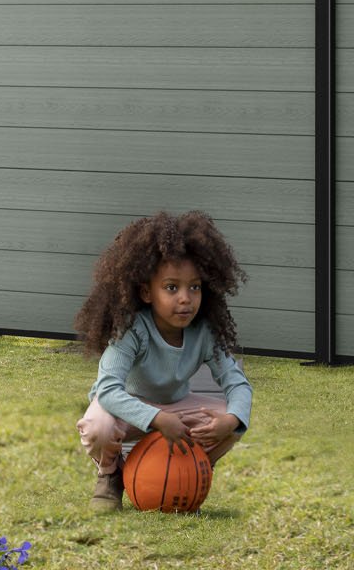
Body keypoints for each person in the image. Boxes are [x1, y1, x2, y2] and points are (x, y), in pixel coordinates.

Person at [73, 210, 254, 511]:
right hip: (126, 410)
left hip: (177, 409)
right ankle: (112, 475)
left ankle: (190, 471)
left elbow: (238, 384)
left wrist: (232, 420)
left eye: (194, 287)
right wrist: (157, 419)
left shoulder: (204, 332)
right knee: (97, 426)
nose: (185, 298)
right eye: (172, 287)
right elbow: (107, 390)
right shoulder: (132, 330)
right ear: (146, 292)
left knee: (229, 420)